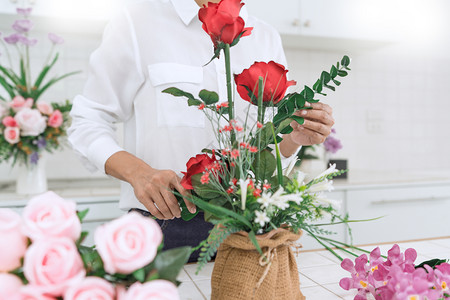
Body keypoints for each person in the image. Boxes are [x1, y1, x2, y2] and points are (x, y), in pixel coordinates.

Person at [68, 0, 334, 261]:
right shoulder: (136, 20)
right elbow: (87, 121)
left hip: (253, 228)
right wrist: (139, 173)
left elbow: (267, 151)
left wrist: (294, 138)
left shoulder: (265, 36)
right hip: (166, 227)